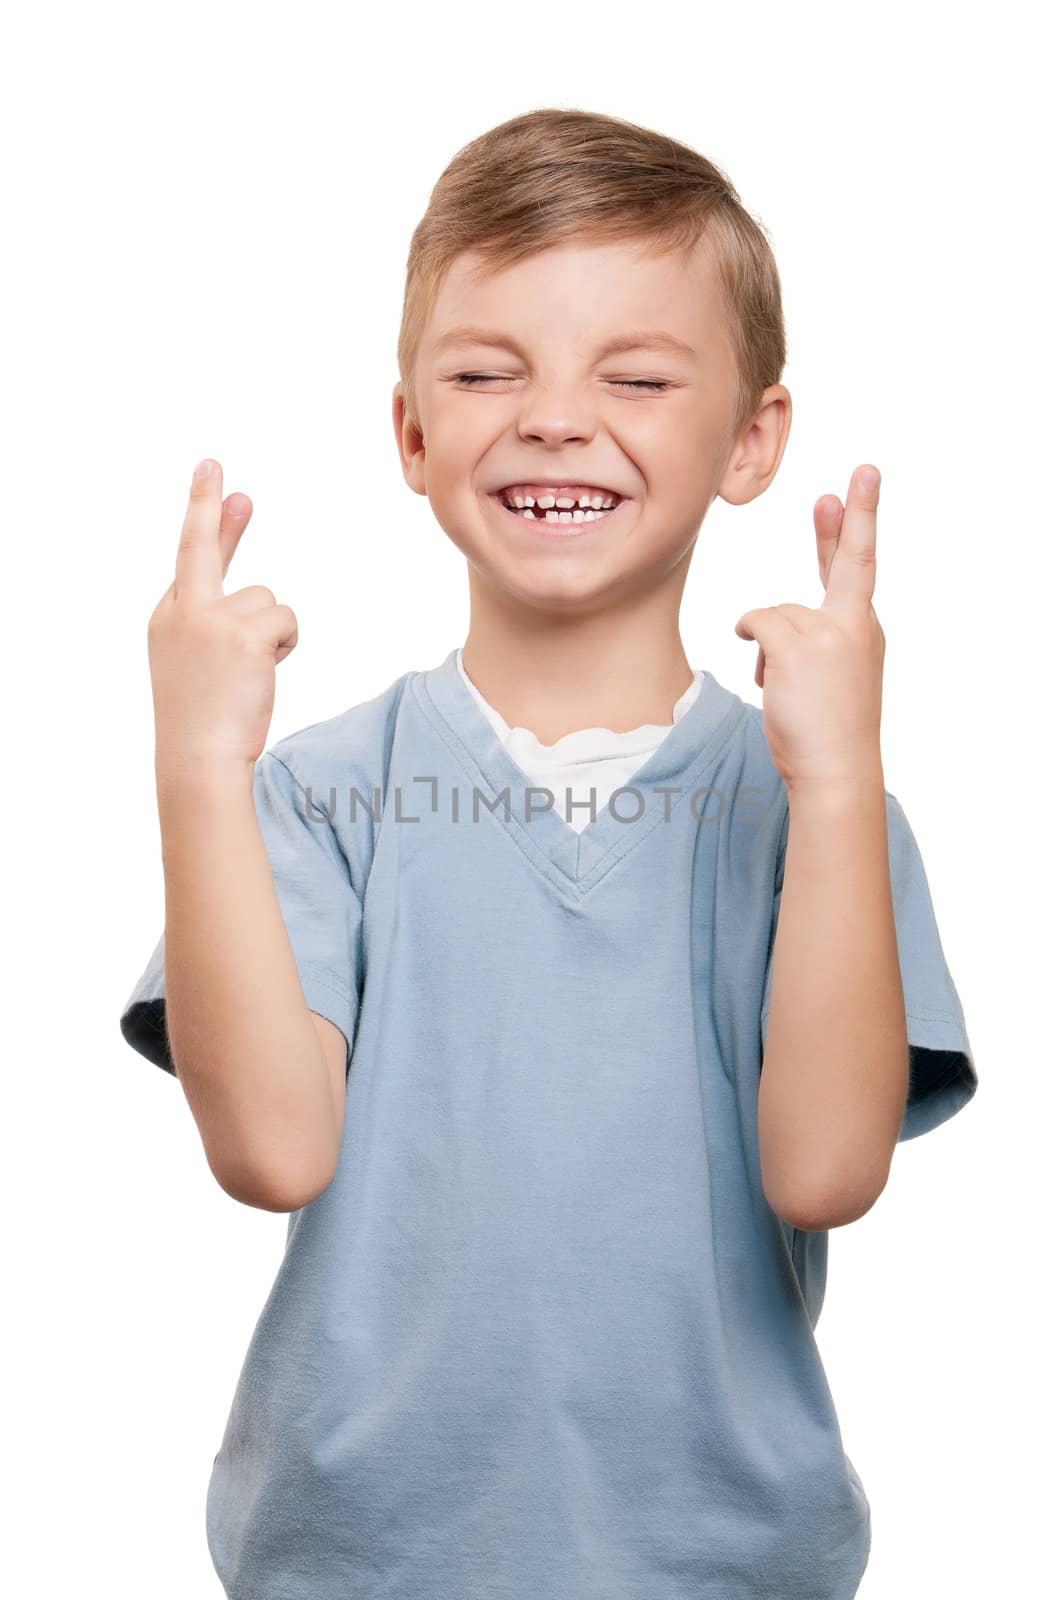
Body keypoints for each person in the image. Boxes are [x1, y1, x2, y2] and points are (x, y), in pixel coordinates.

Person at [119, 107, 978, 1600]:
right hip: (354, 1565)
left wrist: (839, 783)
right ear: (410, 431)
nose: (555, 418)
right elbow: (269, 1151)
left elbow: (829, 1172)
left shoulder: (816, 814)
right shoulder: (320, 796)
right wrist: (196, 763)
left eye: (636, 377)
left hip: (727, 1567)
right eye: (483, 372)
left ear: (753, 439)